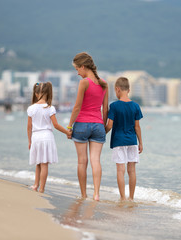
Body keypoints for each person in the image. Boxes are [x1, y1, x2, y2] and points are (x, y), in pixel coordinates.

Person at [67, 52, 108, 201]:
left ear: (83, 67)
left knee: (81, 161)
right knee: (95, 160)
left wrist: (69, 126)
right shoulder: (104, 84)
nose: (77, 73)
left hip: (82, 125)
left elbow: (77, 107)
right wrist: (104, 127)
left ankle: (84, 195)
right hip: (98, 125)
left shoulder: (84, 82)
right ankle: (96, 194)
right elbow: (105, 109)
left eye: (77, 69)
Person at [27, 82, 70, 193]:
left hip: (36, 137)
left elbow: (29, 127)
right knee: (44, 163)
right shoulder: (50, 108)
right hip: (46, 136)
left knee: (38, 162)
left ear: (36, 94)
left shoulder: (31, 108)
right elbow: (55, 125)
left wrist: (29, 141)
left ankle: (36, 185)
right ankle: (41, 188)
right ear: (48, 93)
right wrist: (67, 132)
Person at [105, 77, 143, 201]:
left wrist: (102, 134)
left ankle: (122, 198)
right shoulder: (136, 106)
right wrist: (141, 143)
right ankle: (131, 197)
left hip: (118, 141)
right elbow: (137, 127)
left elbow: (109, 125)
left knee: (120, 170)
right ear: (129, 90)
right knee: (132, 171)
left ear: (117, 89)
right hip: (132, 141)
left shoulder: (114, 106)